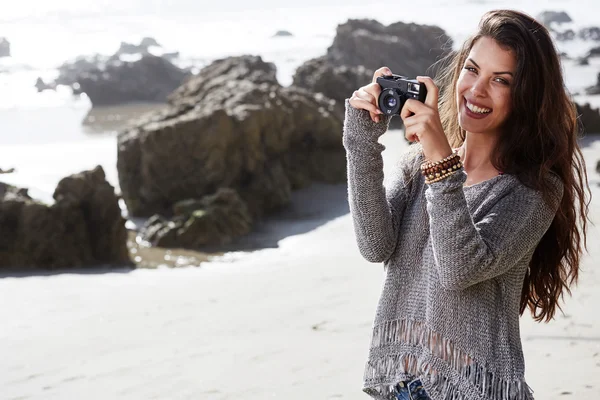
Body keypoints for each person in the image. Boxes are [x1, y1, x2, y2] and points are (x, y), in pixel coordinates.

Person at [343, 9, 591, 400]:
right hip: (403, 387)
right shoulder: (416, 166)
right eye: (472, 70)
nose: (477, 91)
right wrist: (361, 142)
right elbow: (376, 245)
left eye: (501, 81)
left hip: (476, 390)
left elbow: (459, 268)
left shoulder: (533, 191)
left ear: (525, 96)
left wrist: (440, 159)